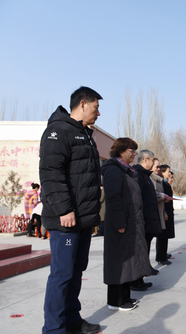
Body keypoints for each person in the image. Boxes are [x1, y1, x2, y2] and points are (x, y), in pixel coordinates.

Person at [39, 86, 102, 334]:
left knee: (76, 273)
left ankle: (72, 320)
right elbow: (51, 174)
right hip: (65, 220)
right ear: (83, 104)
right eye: (96, 107)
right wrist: (65, 209)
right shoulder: (58, 130)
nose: (99, 113)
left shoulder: (84, 134)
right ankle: (54, 329)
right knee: (62, 276)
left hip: (83, 221)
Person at [101, 138, 152, 312]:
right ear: (122, 150)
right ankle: (116, 301)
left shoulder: (125, 170)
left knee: (127, 261)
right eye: (132, 151)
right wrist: (120, 223)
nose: (134, 155)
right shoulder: (113, 170)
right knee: (118, 262)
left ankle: (124, 297)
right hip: (120, 224)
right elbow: (113, 199)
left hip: (129, 222)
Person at [131, 150, 162, 291]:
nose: (153, 163)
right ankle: (135, 281)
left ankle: (141, 279)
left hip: (148, 219)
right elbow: (137, 199)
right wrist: (141, 218)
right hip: (143, 220)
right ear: (145, 160)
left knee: (144, 250)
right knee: (140, 251)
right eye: (152, 160)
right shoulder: (138, 174)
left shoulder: (145, 175)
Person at [156, 164, 174, 265]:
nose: (169, 173)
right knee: (162, 235)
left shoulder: (165, 183)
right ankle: (161, 257)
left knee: (165, 235)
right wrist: (165, 213)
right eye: (168, 171)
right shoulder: (161, 183)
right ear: (162, 173)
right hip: (164, 212)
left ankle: (164, 253)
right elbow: (161, 199)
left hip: (168, 210)